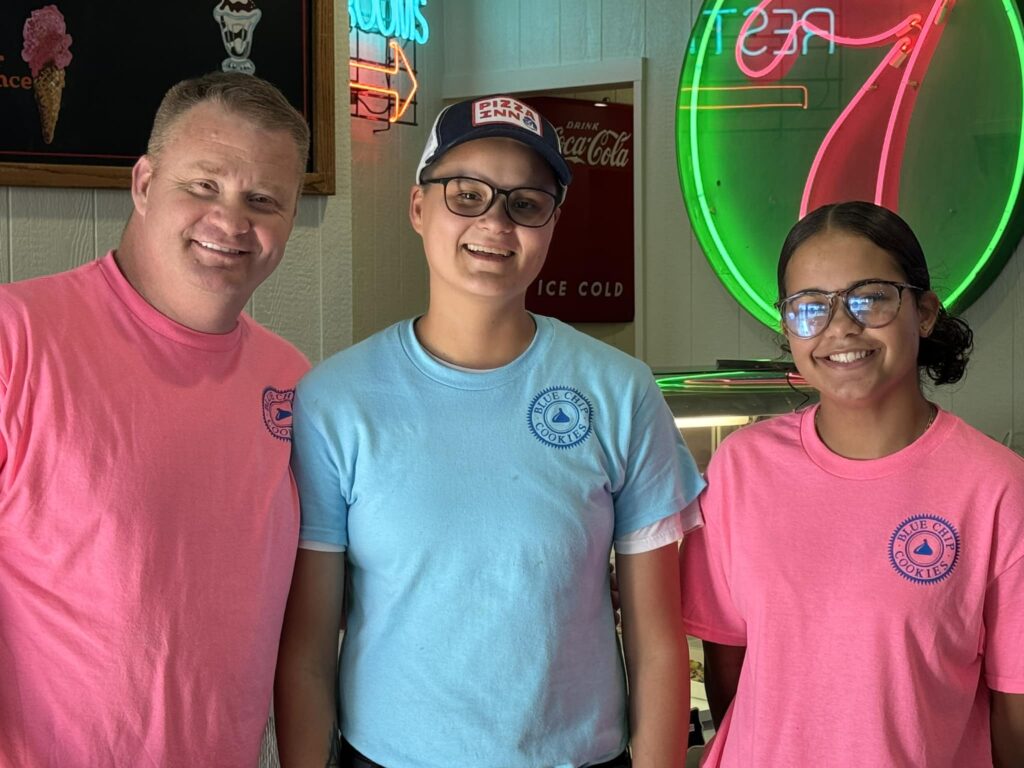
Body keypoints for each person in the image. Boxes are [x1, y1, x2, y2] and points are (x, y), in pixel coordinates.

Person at [275, 96, 704, 768]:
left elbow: (656, 642)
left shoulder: (621, 391)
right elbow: (305, 653)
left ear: (552, 224)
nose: (495, 223)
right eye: (466, 194)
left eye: (525, 203)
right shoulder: (335, 401)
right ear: (419, 208)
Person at [0, 72, 311, 766]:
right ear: (143, 184)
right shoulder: (15, 339)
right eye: (203, 186)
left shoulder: (293, 383)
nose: (231, 222)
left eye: (263, 200)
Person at [680, 201, 1024, 766]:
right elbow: (728, 664)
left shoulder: (996, 489)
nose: (840, 326)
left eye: (870, 298)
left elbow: (1013, 708)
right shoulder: (741, 467)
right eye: (808, 307)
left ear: (926, 312)